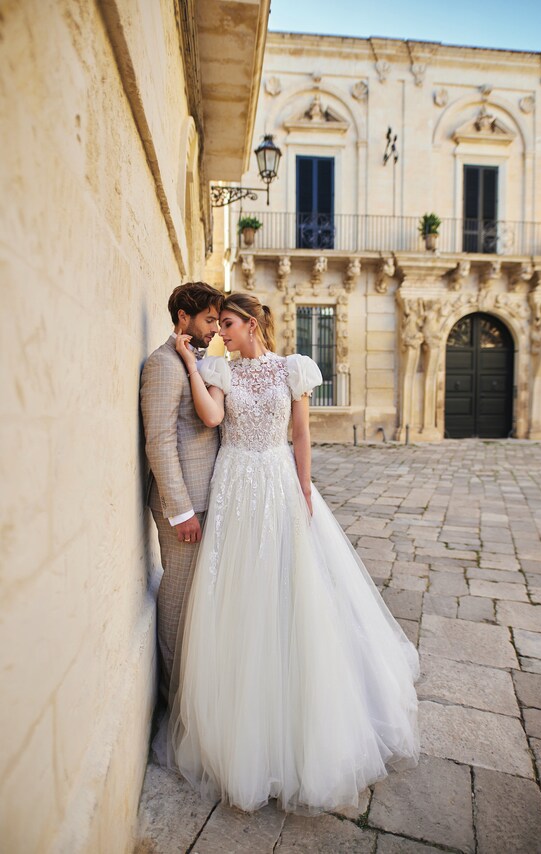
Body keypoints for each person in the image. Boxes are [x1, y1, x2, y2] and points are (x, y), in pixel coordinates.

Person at [169, 293, 420, 814]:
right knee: (241, 590)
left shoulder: (293, 368)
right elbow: (213, 418)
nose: (222, 332)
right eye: (218, 325)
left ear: (253, 324)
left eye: (229, 323)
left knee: (294, 585)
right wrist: (195, 367)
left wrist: (305, 489)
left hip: (280, 480)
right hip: (236, 481)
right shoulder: (218, 366)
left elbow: (301, 434)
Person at [140, 281, 224, 703]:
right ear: (183, 318)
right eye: (209, 320)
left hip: (210, 502)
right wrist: (181, 512)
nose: (215, 329)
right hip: (185, 509)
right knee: (177, 599)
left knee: (199, 600)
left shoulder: (195, 361)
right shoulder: (162, 365)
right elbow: (158, 442)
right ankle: (174, 699)